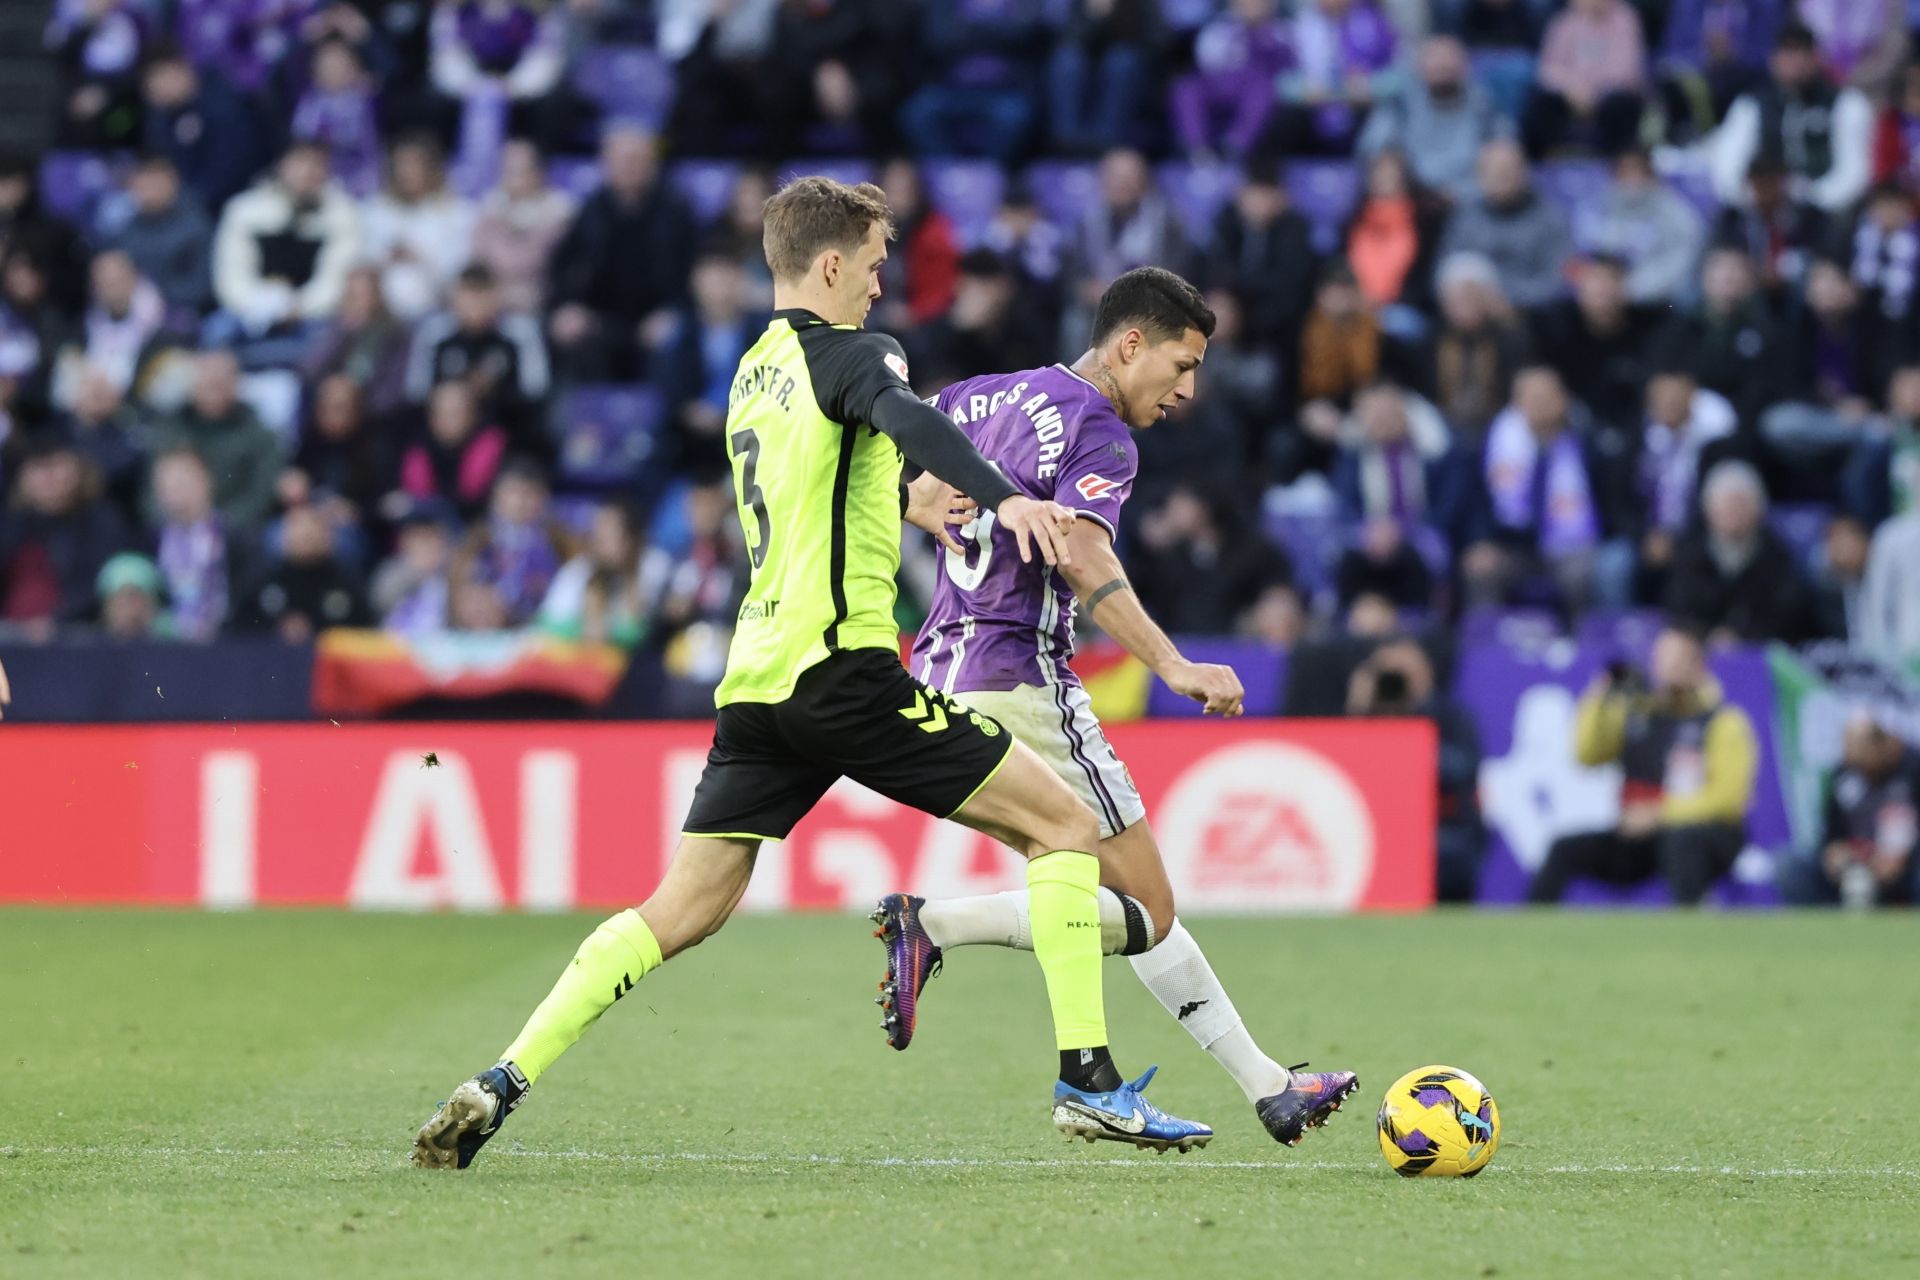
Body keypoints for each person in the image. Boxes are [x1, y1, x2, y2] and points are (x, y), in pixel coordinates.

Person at [413, 175, 1207, 1170]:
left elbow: (827, 478)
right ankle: (1088, 1081)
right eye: (876, 265)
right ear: (831, 264)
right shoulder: (861, 351)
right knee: (1067, 824)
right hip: (844, 673)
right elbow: (904, 414)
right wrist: (1001, 498)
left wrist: (901, 505)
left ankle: (500, 1079)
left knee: (680, 907)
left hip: (756, 685)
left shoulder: (757, 371)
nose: (882, 285)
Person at [890, 267, 1357, 1147]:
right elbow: (1081, 558)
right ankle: (941, 928)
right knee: (1146, 908)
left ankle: (1268, 1086)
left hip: (944, 674)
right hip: (1023, 675)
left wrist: (900, 500)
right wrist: (1174, 664)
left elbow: (863, 450)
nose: (1188, 389)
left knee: (1090, 885)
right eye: (1180, 365)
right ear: (1128, 344)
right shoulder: (1097, 427)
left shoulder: (979, 396)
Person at [1529, 626, 1758, 905]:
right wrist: (1598, 697)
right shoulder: (1639, 714)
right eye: (1660, 660)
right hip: (1642, 835)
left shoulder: (1723, 721)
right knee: (1564, 849)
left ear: (1698, 667)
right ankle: (1529, 928)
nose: (1665, 670)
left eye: (1676, 661)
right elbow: (1587, 755)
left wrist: (1659, 814)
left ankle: (1694, 921)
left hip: (1707, 835)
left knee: (1680, 841)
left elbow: (1727, 801)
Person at [1708, 22, 1873, 216]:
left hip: (1825, 213)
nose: (1797, 61)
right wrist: (1756, 198)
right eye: (1788, 52)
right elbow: (1727, 169)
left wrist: (1813, 199)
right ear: (1773, 59)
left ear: (1817, 58)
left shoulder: (1846, 103)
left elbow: (1854, 174)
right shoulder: (1751, 104)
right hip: (1762, 208)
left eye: (1804, 52)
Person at [1779, 712, 1920, 906]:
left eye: (1860, 752)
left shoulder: (1912, 768)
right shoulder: (1846, 773)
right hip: (1857, 862)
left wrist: (1904, 857)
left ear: (1879, 745)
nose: (1853, 760)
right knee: (1790, 865)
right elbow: (1831, 834)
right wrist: (1834, 852)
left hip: (1905, 865)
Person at [1665, 458, 1811, 644]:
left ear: (1758, 508)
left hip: (1759, 655)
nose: (1733, 512)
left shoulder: (1777, 556)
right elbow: (1679, 610)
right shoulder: (1690, 554)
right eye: (1725, 504)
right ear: (1708, 510)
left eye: (1740, 503)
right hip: (1700, 654)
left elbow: (1789, 616)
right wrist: (1707, 636)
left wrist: (1742, 637)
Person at [1357, 34, 1504, 204]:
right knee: (1385, 167)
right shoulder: (1401, 102)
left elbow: (1505, 140)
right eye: (1436, 59)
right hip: (1415, 195)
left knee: (1502, 160)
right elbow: (1372, 146)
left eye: (1449, 59)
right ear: (1419, 66)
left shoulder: (1482, 102)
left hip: (1472, 193)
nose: (1443, 65)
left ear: (1465, 66)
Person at [1438, 139, 1573, 310]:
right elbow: (1445, 271)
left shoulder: (1551, 219)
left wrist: (1501, 297)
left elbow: (1556, 282)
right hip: (1472, 313)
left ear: (1525, 172)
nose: (1500, 177)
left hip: (1531, 315)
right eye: (1492, 171)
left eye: (1507, 170)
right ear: (1480, 177)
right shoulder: (1465, 217)